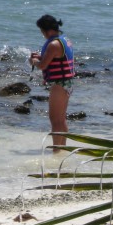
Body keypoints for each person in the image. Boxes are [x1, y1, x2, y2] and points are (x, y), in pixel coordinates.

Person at [29, 15, 75, 149]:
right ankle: (62, 149)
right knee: (61, 119)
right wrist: (41, 57)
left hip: (59, 84)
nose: (42, 34)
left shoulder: (53, 44)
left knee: (55, 120)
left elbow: (42, 65)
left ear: (46, 30)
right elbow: (56, 58)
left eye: (41, 31)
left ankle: (56, 150)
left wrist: (33, 61)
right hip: (67, 82)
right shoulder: (64, 40)